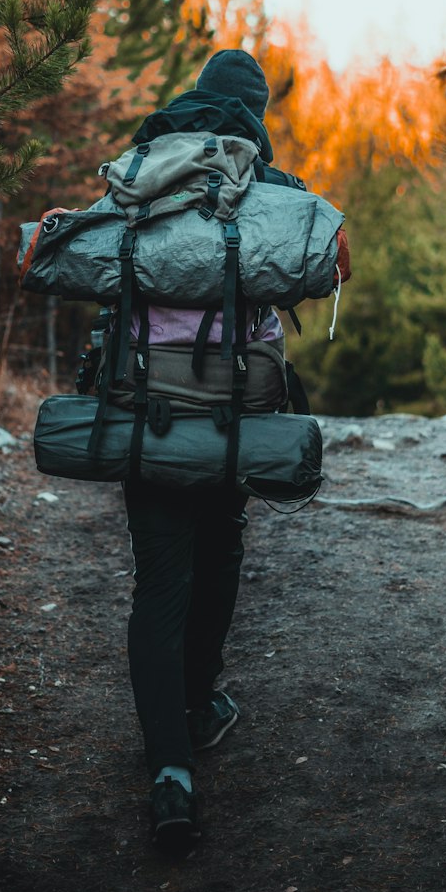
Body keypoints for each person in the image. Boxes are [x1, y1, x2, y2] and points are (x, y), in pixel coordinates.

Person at [119, 49, 285, 850]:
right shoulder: (264, 186)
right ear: (257, 110)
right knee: (219, 552)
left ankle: (169, 772)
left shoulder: (146, 163)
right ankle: (197, 703)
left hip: (143, 402)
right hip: (228, 412)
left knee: (159, 582)